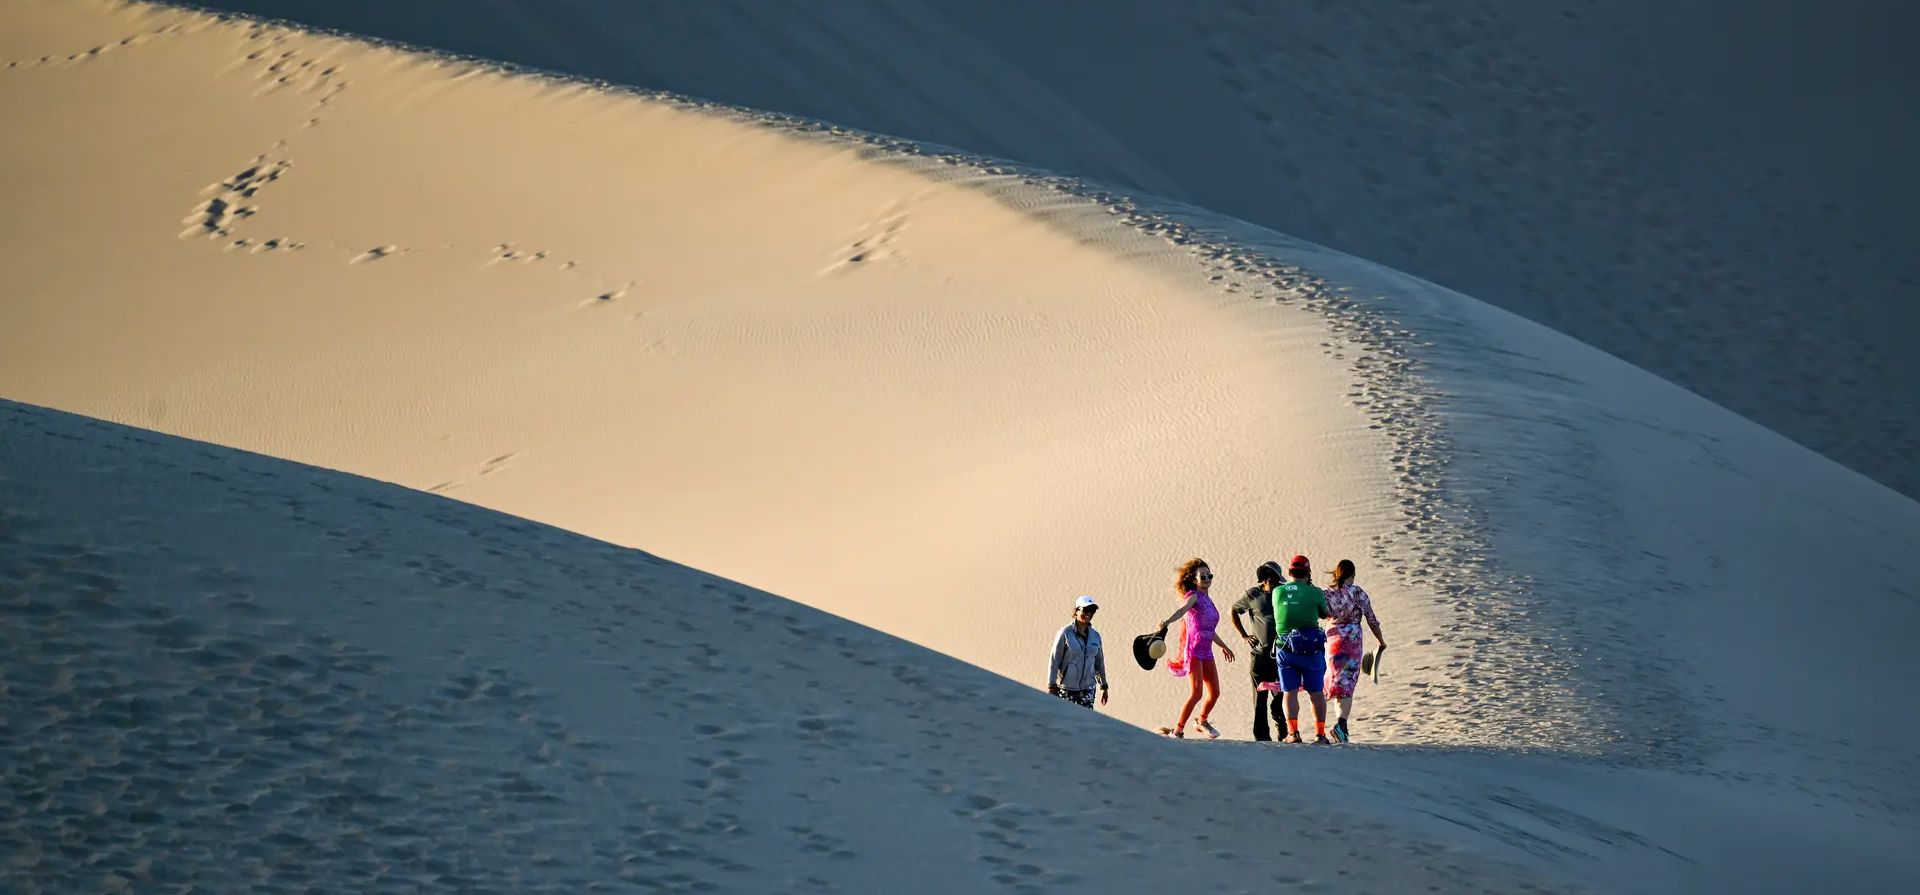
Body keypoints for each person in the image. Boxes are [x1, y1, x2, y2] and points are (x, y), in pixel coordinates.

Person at [1154, 559, 1236, 738]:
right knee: (1197, 692)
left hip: (1207, 651)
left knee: (1214, 692)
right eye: (1203, 576)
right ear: (1194, 579)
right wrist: (1167, 622)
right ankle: (1178, 729)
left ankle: (1201, 721)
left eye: (1209, 575)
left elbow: (1208, 630)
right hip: (1193, 651)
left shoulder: (1209, 600)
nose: (1207, 578)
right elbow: (1182, 610)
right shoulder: (1194, 596)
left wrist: (1224, 646)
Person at [1271, 554, 1332, 744]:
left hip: (1285, 648)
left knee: (1289, 692)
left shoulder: (1277, 592)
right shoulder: (1315, 592)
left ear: (1289, 573)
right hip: (1311, 649)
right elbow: (1325, 613)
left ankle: (1293, 733)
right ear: (1308, 573)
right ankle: (1320, 734)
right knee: (1316, 693)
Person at [1323, 559, 1385, 743]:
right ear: (1352, 575)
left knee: (1335, 682)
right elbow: (1372, 620)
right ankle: (1341, 725)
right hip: (1351, 640)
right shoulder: (1358, 593)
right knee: (1347, 685)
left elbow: (1320, 612)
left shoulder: (1327, 593)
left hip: (1332, 639)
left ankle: (1339, 731)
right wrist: (1380, 641)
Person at [1229, 561, 1287, 740]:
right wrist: (1244, 635)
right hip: (1259, 654)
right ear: (1266, 578)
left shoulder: (1283, 593)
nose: (1276, 582)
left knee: (1281, 696)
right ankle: (1262, 738)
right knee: (1260, 698)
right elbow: (1234, 610)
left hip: (1281, 653)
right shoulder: (1252, 594)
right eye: (1274, 578)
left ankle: (1283, 728)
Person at [1046, 595, 1109, 709]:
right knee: (1065, 723)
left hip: (1088, 689)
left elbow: (1099, 663)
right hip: (1066, 689)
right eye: (1086, 610)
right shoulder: (1065, 633)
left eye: (1092, 610)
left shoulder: (1095, 636)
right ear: (1077, 611)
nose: (1089, 613)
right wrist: (1051, 686)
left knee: (1085, 723)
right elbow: (1054, 660)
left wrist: (1104, 686)